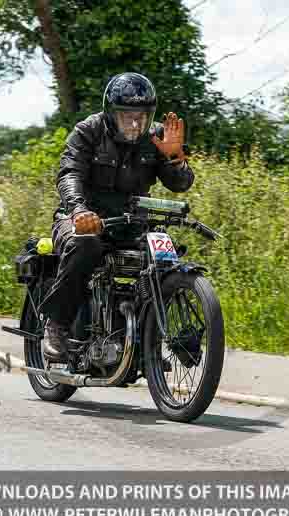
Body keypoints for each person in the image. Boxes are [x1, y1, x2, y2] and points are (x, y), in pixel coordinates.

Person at [40, 72, 195, 362]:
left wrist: (176, 159)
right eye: (127, 116)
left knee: (165, 255)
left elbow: (180, 184)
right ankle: (56, 325)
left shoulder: (156, 137)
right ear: (112, 113)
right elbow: (69, 173)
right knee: (86, 245)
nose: (136, 123)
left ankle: (148, 336)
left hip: (131, 224)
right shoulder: (88, 131)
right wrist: (79, 210)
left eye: (142, 116)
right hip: (81, 219)